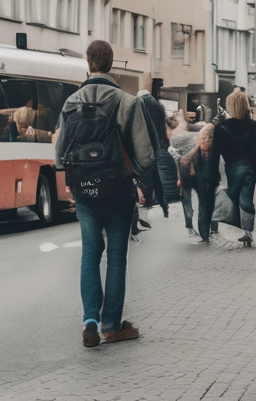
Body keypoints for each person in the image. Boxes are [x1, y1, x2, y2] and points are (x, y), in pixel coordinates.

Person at [55, 40, 153, 348]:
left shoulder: (71, 102)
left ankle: (90, 322)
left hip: (84, 191)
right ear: (111, 64)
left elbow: (59, 157)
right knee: (116, 256)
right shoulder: (127, 102)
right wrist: (138, 179)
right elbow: (146, 156)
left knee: (90, 252)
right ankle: (111, 325)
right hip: (118, 190)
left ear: (88, 63)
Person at [211, 89, 256, 248]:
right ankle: (248, 231)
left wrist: (214, 176)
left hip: (232, 167)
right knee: (246, 199)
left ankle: (238, 227)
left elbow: (215, 153)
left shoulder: (221, 128)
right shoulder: (253, 126)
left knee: (234, 196)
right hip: (250, 167)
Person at [181, 124, 222, 242]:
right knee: (209, 206)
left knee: (203, 208)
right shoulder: (215, 147)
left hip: (201, 181)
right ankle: (211, 229)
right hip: (210, 181)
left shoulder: (198, 148)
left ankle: (205, 235)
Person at [135, 90, 171, 218]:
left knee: (147, 176)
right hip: (160, 147)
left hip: (146, 147)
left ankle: (148, 201)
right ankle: (164, 205)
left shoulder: (140, 107)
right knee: (159, 177)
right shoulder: (158, 107)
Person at [169, 116, 200, 234]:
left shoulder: (174, 139)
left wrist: (177, 177)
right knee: (203, 197)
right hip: (197, 169)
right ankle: (211, 224)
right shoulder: (193, 136)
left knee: (186, 198)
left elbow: (175, 159)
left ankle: (189, 224)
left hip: (184, 170)